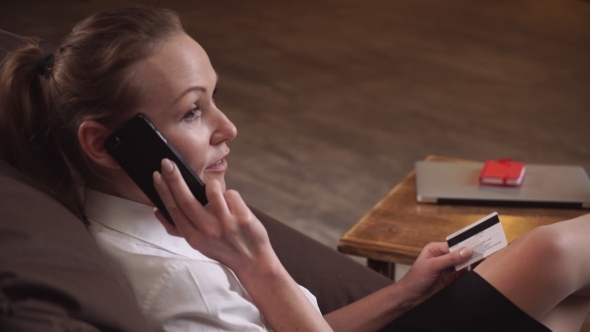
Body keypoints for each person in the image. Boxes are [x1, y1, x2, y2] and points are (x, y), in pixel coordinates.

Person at [1, 5, 589, 332]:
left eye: (214, 98)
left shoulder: (171, 224)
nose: (227, 128)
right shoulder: (178, 283)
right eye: (193, 110)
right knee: (554, 254)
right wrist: (254, 262)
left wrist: (407, 294)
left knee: (571, 303)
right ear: (106, 144)